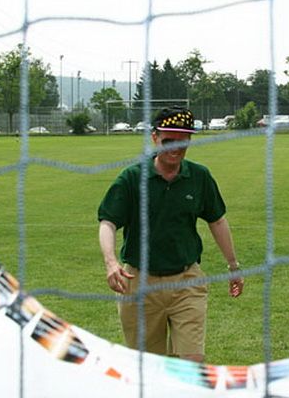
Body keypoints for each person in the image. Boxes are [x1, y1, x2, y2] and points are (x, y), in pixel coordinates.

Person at [98, 106, 244, 363]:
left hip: (186, 281)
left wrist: (233, 265)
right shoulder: (132, 178)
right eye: (169, 141)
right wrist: (111, 262)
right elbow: (108, 222)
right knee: (148, 368)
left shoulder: (199, 177)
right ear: (154, 137)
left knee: (191, 363)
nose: (175, 148)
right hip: (139, 283)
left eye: (183, 141)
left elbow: (217, 221)